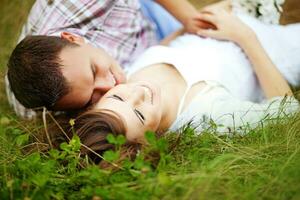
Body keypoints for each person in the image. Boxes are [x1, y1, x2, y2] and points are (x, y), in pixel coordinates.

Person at [51, 8, 300, 164]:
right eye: (139, 113)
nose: (138, 93)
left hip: (235, 13)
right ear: (146, 143)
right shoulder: (206, 115)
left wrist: (199, 20)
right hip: (279, 47)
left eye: (116, 99)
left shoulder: (131, 77)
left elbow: (166, 47)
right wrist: (245, 36)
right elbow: (288, 111)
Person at [6, 0, 212, 119]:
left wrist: (191, 21)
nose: (111, 84)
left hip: (147, 17)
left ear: (73, 38)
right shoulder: (38, 108)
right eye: (91, 98)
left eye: (94, 71)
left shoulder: (75, 4)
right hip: (147, 55)